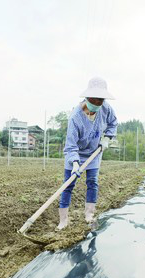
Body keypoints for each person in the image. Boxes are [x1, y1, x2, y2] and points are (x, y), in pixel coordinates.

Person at [57, 77, 118, 230]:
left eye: (101, 101)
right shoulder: (75, 118)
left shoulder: (106, 109)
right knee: (68, 184)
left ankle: (89, 214)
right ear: (88, 98)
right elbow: (70, 146)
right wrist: (75, 163)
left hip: (94, 153)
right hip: (75, 154)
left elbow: (113, 123)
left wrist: (107, 138)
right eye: (95, 100)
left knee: (93, 183)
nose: (98, 104)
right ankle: (63, 220)